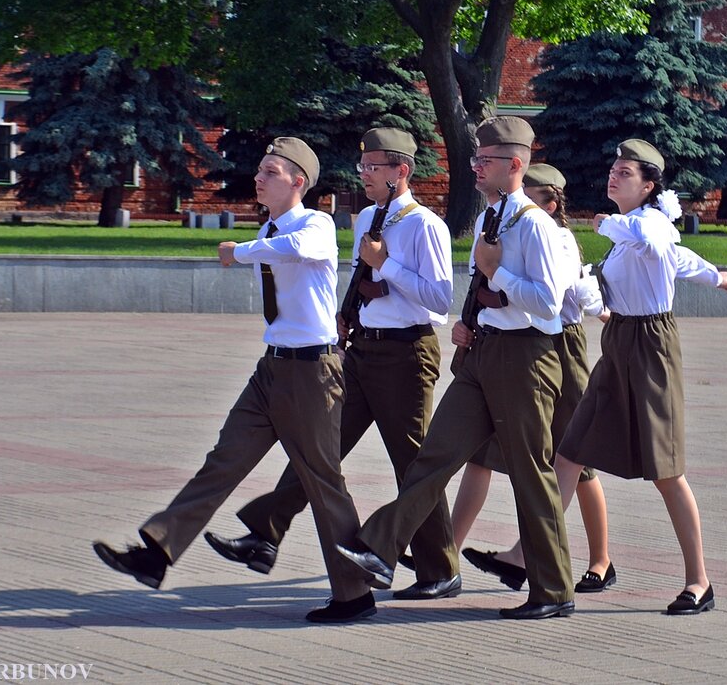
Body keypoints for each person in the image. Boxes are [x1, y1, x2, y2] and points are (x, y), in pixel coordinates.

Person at [93, 137, 376, 624]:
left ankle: (354, 594)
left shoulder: (316, 223)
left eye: (270, 171)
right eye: (260, 171)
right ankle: (157, 553)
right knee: (223, 462)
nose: (259, 178)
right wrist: (250, 246)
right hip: (273, 368)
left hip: (313, 371)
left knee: (323, 481)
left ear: (298, 182)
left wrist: (238, 251)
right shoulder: (268, 226)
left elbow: (298, 250)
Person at [337, 116, 579, 620]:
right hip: (484, 354)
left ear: (514, 165)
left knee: (531, 474)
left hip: (527, 358)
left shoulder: (536, 225)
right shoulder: (495, 216)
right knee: (435, 455)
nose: (475, 168)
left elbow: (549, 303)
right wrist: (473, 320)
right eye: (474, 159)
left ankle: (553, 590)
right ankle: (379, 547)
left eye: (484, 161)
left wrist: (497, 273)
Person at [204, 127, 460, 600]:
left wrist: (387, 265)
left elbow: (440, 300)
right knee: (320, 449)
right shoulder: (365, 219)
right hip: (361, 348)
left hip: (408, 353)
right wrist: (345, 316)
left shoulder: (425, 225)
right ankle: (265, 535)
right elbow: (358, 276)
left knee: (411, 462)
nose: (364, 174)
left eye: (374, 168)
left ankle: (440, 570)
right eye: (362, 167)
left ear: (401, 171)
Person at [553, 139, 727, 616]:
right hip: (618, 345)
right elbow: (681, 261)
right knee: (570, 451)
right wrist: (717, 276)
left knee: (666, 470)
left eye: (625, 172)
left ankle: (699, 581)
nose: (614, 175)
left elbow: (659, 243)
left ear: (649, 185)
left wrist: (610, 224)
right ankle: (529, 556)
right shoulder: (627, 237)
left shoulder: (648, 224)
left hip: (652, 347)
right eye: (613, 169)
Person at [454, 163, 616, 594]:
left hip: (561, 348)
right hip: (516, 349)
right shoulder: (510, 227)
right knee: (485, 453)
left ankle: (600, 560)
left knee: (576, 457)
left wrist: (600, 307)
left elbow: (573, 296)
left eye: (533, 196)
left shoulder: (556, 236)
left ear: (551, 202)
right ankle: (450, 550)